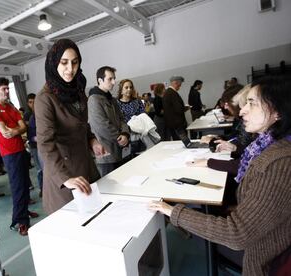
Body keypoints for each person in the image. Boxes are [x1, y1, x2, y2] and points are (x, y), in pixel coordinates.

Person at [149, 76, 291, 276]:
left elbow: (237, 234)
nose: (242, 111)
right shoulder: (270, 147)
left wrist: (173, 211)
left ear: (277, 112)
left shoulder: (276, 163)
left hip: (261, 261)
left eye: (252, 104)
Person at [35, 39, 105, 214]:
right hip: (65, 172)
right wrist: (65, 178)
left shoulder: (78, 90)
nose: (70, 69)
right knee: (76, 223)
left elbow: (82, 125)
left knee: (98, 217)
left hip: (86, 166)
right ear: (54, 63)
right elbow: (45, 144)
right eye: (64, 62)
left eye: (75, 62)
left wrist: (93, 141)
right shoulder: (45, 98)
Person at [0, 77, 38, 236]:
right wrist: (17, 129)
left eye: (8, 88)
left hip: (20, 149)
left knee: (24, 183)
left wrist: (15, 130)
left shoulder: (11, 106)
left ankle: (23, 211)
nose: (7, 91)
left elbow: (23, 126)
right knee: (17, 187)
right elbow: (5, 132)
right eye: (4, 89)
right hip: (9, 153)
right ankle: (21, 221)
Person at [88, 66, 130, 176]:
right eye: (110, 79)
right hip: (106, 151)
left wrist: (125, 134)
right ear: (100, 80)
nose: (114, 82)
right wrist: (119, 138)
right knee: (111, 187)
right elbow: (101, 126)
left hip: (119, 148)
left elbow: (122, 119)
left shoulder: (112, 99)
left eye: (114, 78)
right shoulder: (94, 99)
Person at [26, 94, 43, 197]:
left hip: (43, 145)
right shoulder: (29, 116)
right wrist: (37, 138)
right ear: (28, 103)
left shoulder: (41, 113)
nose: (33, 104)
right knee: (40, 169)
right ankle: (42, 188)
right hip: (35, 146)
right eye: (31, 102)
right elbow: (30, 135)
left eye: (35, 101)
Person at [163, 76, 190, 140]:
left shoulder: (168, 92)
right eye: (179, 85)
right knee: (182, 142)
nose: (180, 87)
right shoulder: (172, 93)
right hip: (177, 123)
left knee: (178, 141)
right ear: (175, 83)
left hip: (173, 123)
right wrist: (185, 108)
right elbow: (178, 109)